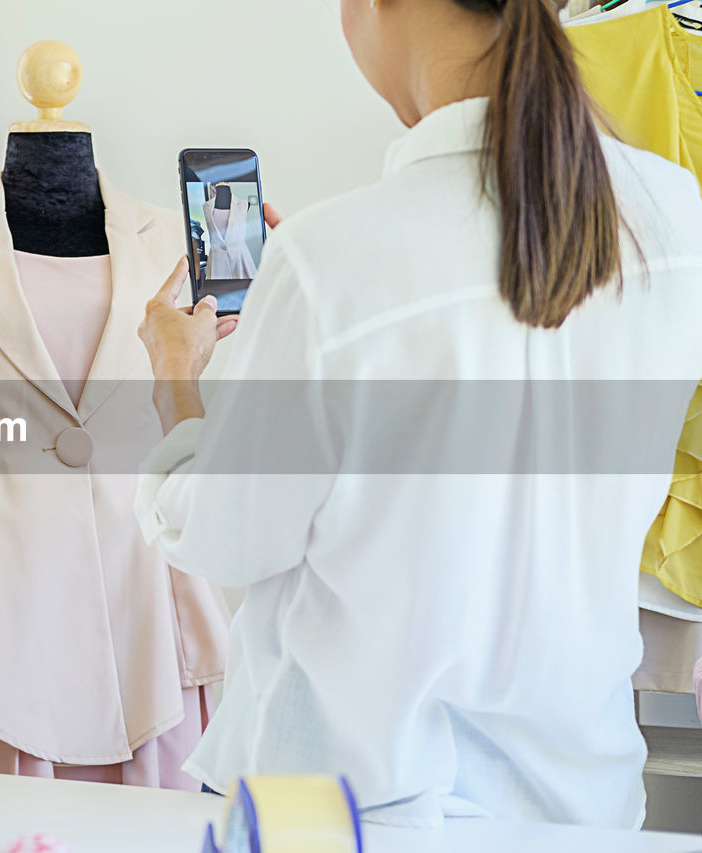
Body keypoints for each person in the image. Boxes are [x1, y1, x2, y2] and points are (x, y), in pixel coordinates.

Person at [135, 0, 702, 829]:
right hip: (585, 803)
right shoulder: (676, 216)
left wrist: (176, 381)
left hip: (339, 813)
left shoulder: (330, 263)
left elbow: (228, 536)